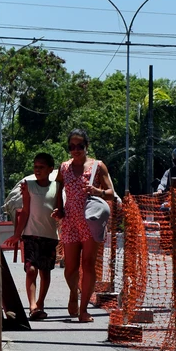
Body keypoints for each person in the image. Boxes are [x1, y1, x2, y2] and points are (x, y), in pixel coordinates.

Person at [53, 128, 116, 323]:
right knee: (70, 267)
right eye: (71, 147)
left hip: (91, 221)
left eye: (79, 146)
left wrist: (97, 191)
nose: (75, 150)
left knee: (88, 264)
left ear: (86, 146)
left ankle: (84, 310)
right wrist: (59, 209)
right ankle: (74, 292)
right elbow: (58, 188)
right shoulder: (64, 168)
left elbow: (111, 193)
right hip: (70, 221)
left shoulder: (98, 166)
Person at [10, 153, 60, 320]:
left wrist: (59, 213)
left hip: (49, 236)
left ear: (50, 169)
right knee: (31, 270)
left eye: (41, 167)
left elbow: (60, 209)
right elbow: (25, 211)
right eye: (35, 167)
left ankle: (40, 303)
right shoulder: (28, 185)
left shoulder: (57, 187)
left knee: (45, 271)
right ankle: (32, 306)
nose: (37, 170)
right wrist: (17, 234)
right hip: (31, 235)